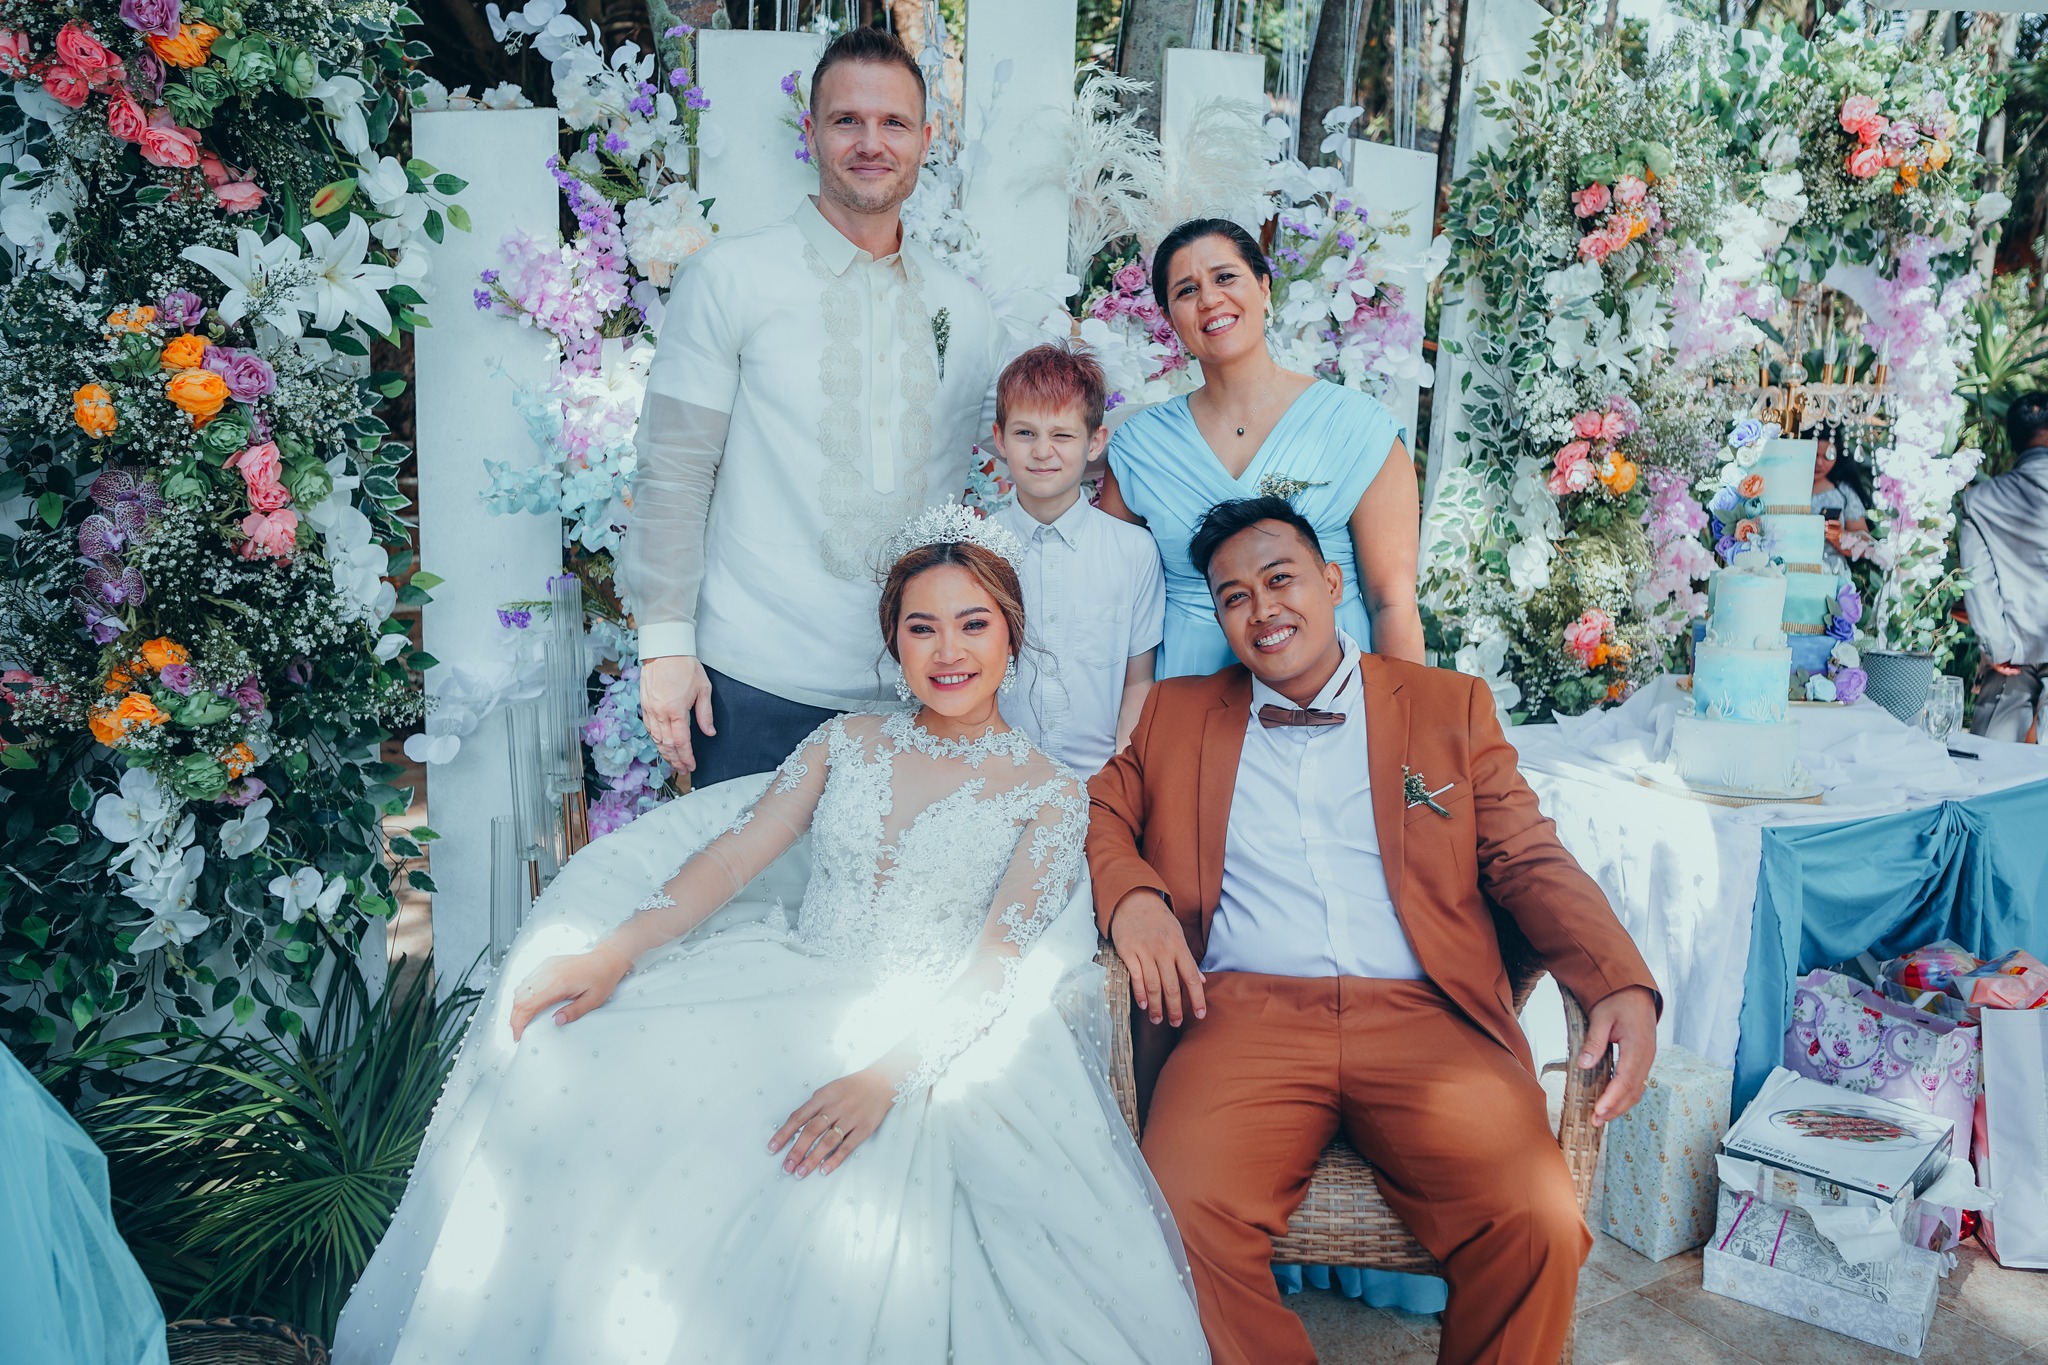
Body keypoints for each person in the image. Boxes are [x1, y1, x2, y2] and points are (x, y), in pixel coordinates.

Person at [334, 508, 1209, 1365]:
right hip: (785, 976)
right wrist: (616, 949)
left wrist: (883, 1079)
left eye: (973, 624)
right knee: (586, 1058)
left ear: (1011, 634)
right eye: (922, 628)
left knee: (824, 1194)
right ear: (895, 641)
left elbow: (994, 967)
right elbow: (732, 858)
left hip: (918, 1031)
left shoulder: (1047, 792)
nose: (949, 651)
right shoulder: (847, 741)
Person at [1087, 495, 1661, 1365]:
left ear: (1331, 581)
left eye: (1280, 578)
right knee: (1176, 1214)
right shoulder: (1176, 713)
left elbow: (1528, 858)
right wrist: (1133, 898)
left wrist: (1616, 977)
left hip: (1425, 1016)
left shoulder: (1447, 705)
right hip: (1240, 1017)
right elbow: (1099, 812)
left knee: (1535, 1221)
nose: (1262, 608)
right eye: (1234, 596)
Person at [623, 26, 1005, 787]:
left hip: (920, 690)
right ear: (811, 133)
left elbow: (999, 469)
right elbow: (673, 470)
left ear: (927, 140)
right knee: (742, 871)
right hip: (751, 683)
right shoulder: (729, 278)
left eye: (894, 122)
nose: (871, 143)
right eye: (846, 120)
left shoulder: (965, 311)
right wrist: (665, 645)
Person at [1098, 218, 1424, 678]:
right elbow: (1115, 608)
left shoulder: (1358, 426)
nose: (1210, 299)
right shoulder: (1139, 448)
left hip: (1338, 693)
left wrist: (1401, 714)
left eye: (1225, 277)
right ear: (1169, 319)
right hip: (1191, 688)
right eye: (1187, 290)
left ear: (1264, 287)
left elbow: (1391, 601)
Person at [990, 342, 1164, 775]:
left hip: (1097, 781)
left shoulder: (1133, 551)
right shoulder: (977, 548)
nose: (1042, 451)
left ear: (1094, 442)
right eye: (1025, 433)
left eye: (1062, 435)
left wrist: (1120, 780)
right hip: (995, 777)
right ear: (999, 438)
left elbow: (1138, 681)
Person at [1962, 392, 2048, 745]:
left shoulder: (1981, 501)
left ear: (2013, 440)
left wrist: (1998, 649)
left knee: (1990, 765)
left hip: (2012, 660)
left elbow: (1978, 581)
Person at [1810, 424, 1873, 574]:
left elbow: (1866, 546)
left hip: (1831, 572)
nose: (1819, 463)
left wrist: (1839, 537)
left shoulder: (1842, 492)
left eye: (1828, 457)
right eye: (1814, 455)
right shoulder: (1784, 484)